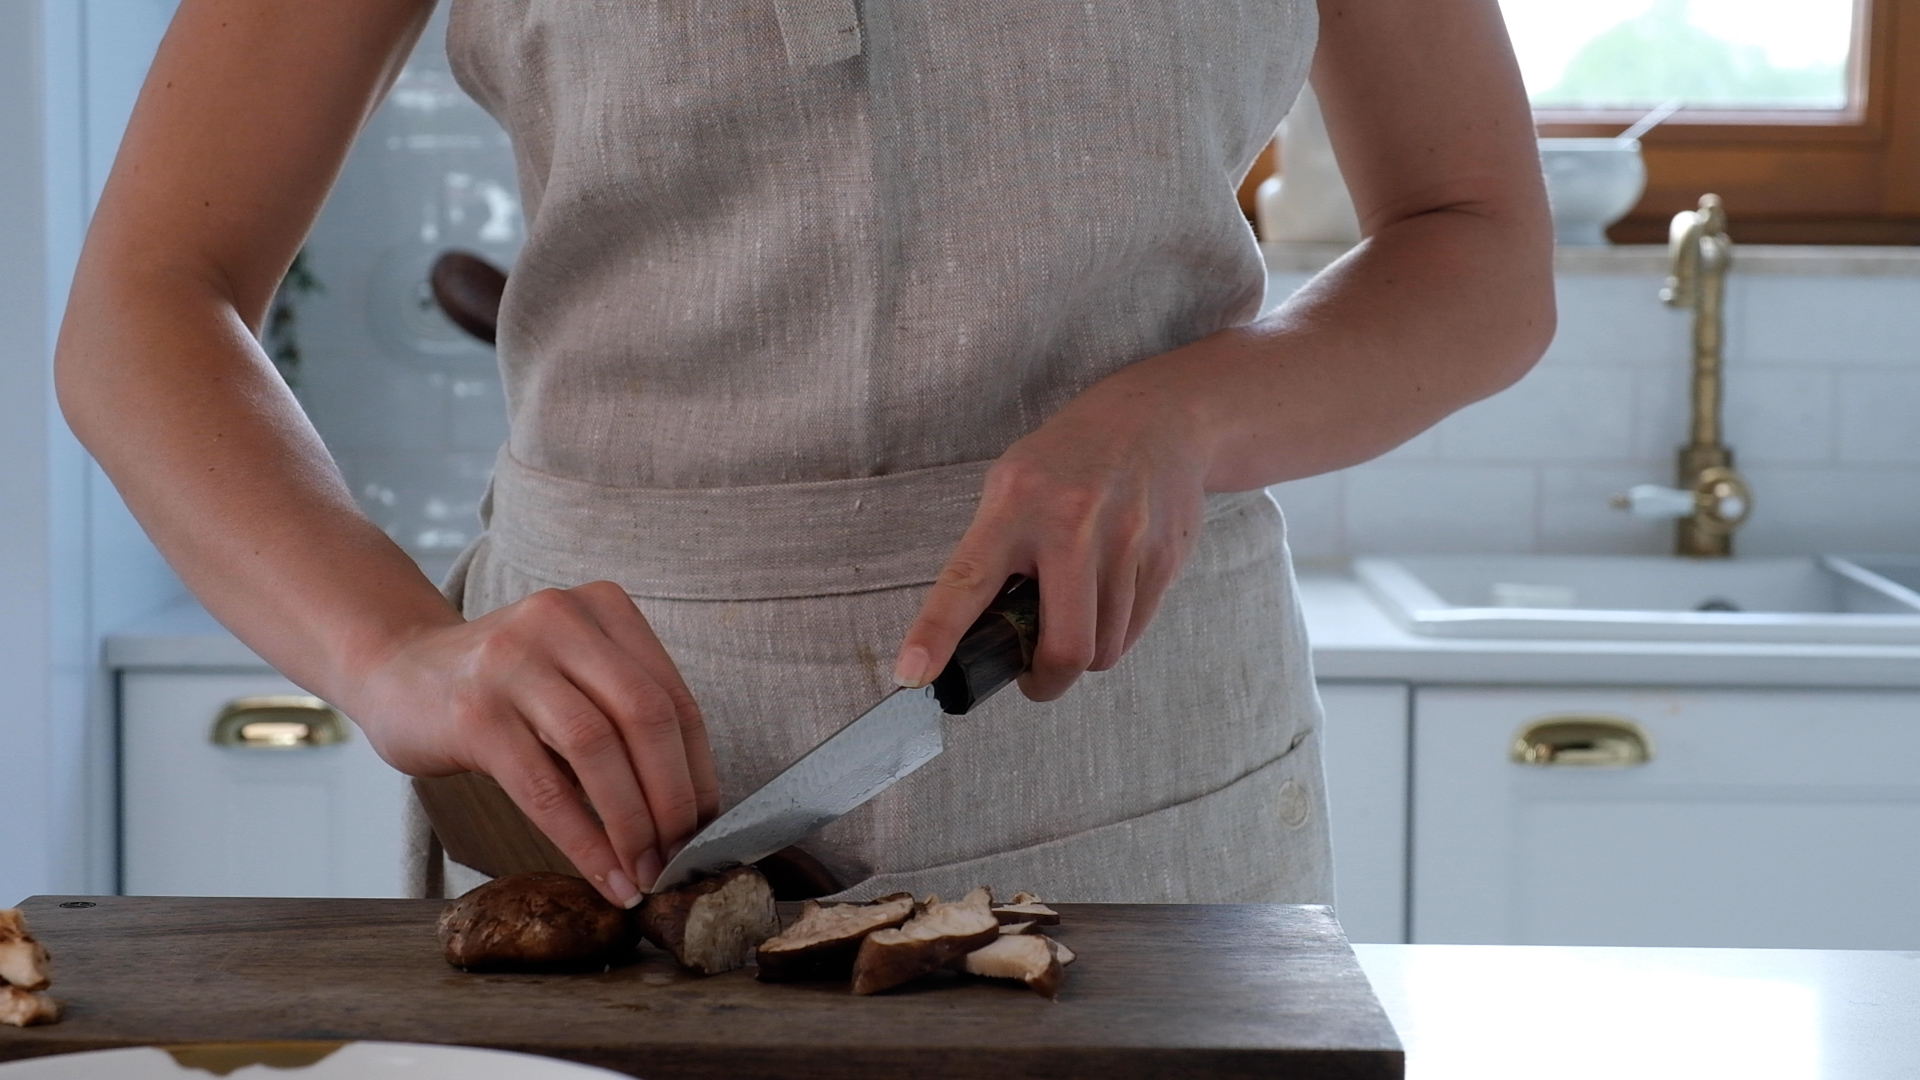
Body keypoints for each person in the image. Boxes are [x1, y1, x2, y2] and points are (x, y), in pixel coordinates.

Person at [57, 0, 1553, 908]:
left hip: (1137, 752)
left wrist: (1193, 410)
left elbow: (1480, 243)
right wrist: (391, 650)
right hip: (596, 785)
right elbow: (146, 305)